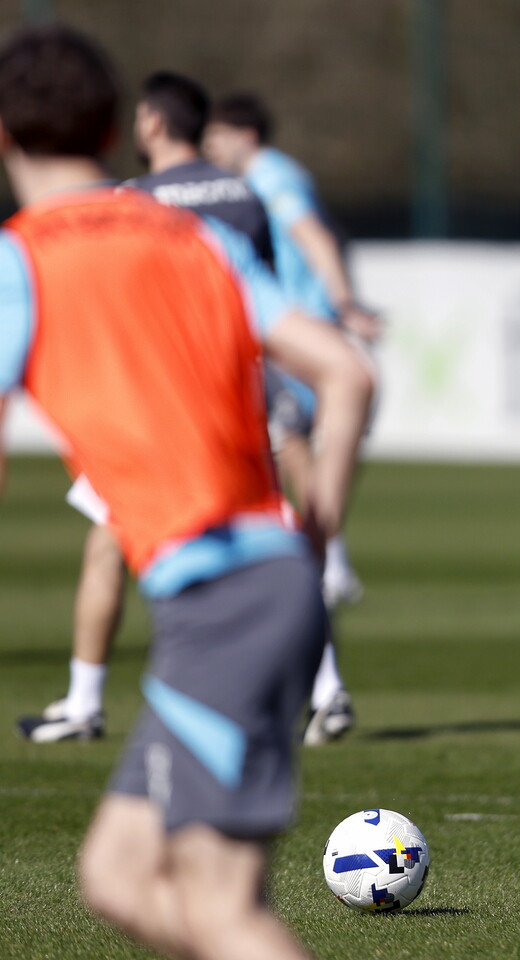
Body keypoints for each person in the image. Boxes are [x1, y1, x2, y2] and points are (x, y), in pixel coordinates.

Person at [0, 25, 373, 960]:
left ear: (6, 135)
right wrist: (315, 535)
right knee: (116, 877)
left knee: (220, 912)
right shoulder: (192, 235)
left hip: (222, 600)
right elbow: (346, 373)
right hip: (253, 585)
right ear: (109, 126)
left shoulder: (23, 257)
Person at [14, 70, 354, 747]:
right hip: (242, 400)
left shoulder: (132, 205)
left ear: (150, 124)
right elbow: (268, 314)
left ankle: (84, 701)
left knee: (111, 549)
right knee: (276, 553)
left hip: (152, 413)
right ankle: (327, 687)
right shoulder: (244, 194)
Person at [203, 91, 379, 610]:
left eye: (216, 137)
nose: (210, 148)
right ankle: (327, 558)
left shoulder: (271, 176)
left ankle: (326, 559)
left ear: (245, 136)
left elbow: (314, 238)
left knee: (289, 438)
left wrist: (343, 303)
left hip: (298, 327)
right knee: (292, 442)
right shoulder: (271, 174)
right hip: (297, 326)